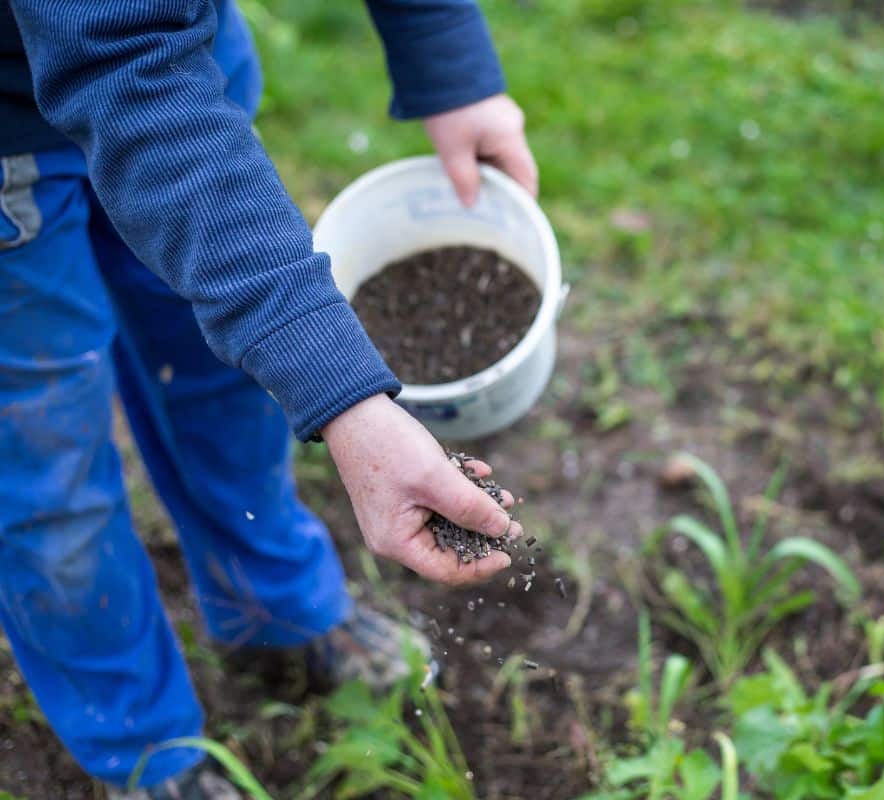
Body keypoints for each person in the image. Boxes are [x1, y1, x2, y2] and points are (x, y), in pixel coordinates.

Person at [0, 1, 536, 797]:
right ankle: (142, 749)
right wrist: (347, 400)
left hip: (183, 62)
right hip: (25, 135)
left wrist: (446, 58)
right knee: (52, 470)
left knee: (227, 374)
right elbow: (121, 58)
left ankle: (274, 608)